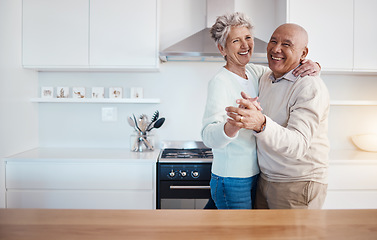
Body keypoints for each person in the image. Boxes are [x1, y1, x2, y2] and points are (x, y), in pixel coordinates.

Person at [201, 12, 321, 209]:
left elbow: (286, 69)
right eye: (236, 41)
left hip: (256, 174)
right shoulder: (219, 82)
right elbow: (208, 135)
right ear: (222, 48)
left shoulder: (255, 73)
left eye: (248, 38)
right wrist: (233, 125)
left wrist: (314, 65)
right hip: (232, 177)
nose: (245, 45)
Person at [226, 23, 330, 209]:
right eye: (273, 41)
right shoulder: (267, 77)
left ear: (303, 54)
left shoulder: (310, 86)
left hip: (298, 183)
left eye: (286, 44)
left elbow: (298, 144)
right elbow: (235, 65)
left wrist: (261, 124)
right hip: (267, 179)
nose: (276, 49)